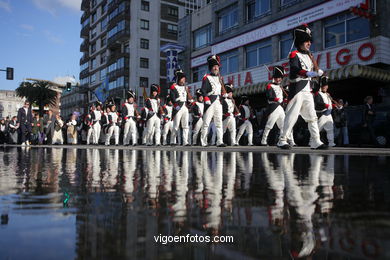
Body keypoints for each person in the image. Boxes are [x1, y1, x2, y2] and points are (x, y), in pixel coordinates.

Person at [277, 24, 327, 150]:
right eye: (306, 40)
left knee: (312, 117)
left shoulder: (310, 56)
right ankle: (282, 139)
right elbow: (294, 70)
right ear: (300, 41)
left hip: (307, 90)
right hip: (298, 88)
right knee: (292, 116)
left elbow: (312, 73)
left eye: (310, 41)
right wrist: (308, 73)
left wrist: (316, 73)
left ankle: (315, 141)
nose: (309, 43)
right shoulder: (294, 54)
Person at [261, 66, 295, 146]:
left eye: (280, 78)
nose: (279, 79)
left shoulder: (280, 87)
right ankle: (263, 141)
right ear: (274, 78)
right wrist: (276, 99)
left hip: (280, 108)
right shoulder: (270, 86)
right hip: (273, 107)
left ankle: (286, 140)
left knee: (284, 125)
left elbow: (282, 99)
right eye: (277, 78)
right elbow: (269, 96)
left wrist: (285, 100)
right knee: (269, 125)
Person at [200, 55, 226, 147]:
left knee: (219, 122)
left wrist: (224, 94)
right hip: (210, 101)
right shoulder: (206, 77)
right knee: (206, 122)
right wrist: (206, 98)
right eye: (214, 66)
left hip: (218, 101)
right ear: (211, 68)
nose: (216, 68)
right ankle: (203, 142)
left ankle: (220, 141)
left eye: (217, 66)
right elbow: (203, 90)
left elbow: (221, 90)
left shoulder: (220, 78)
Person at [170, 69, 192, 146]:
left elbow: (187, 98)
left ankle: (185, 141)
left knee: (185, 125)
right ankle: (173, 141)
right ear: (179, 78)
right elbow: (172, 97)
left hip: (184, 107)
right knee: (176, 125)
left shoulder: (185, 87)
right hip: (178, 107)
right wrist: (176, 106)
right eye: (182, 78)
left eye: (184, 78)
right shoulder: (173, 86)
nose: (184, 79)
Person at [314, 76, 335, 147]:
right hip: (322, 114)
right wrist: (325, 105)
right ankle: (311, 141)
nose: (325, 87)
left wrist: (335, 106)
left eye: (326, 86)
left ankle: (331, 142)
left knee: (330, 129)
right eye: (324, 86)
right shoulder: (318, 93)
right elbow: (317, 103)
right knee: (317, 129)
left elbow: (330, 103)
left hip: (329, 114)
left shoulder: (327, 94)